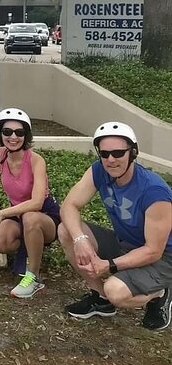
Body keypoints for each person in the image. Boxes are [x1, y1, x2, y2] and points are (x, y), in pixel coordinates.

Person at [59, 122, 172, 330]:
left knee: (116, 291)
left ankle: (161, 292)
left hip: (163, 257)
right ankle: (101, 300)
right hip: (126, 244)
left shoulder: (155, 191)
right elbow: (69, 206)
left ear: (133, 152)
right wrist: (80, 240)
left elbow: (154, 251)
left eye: (118, 153)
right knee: (66, 230)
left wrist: (110, 265)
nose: (111, 160)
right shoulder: (99, 172)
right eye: (105, 154)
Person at [0, 108, 60, 298]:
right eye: (7, 132)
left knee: (31, 218)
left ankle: (34, 277)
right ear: (0, 134)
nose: (13, 137)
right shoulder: (1, 154)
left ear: (26, 135)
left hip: (45, 215)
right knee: (0, 240)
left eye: (19, 132)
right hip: (19, 213)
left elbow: (37, 202)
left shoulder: (36, 161)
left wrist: (2, 213)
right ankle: (31, 246)